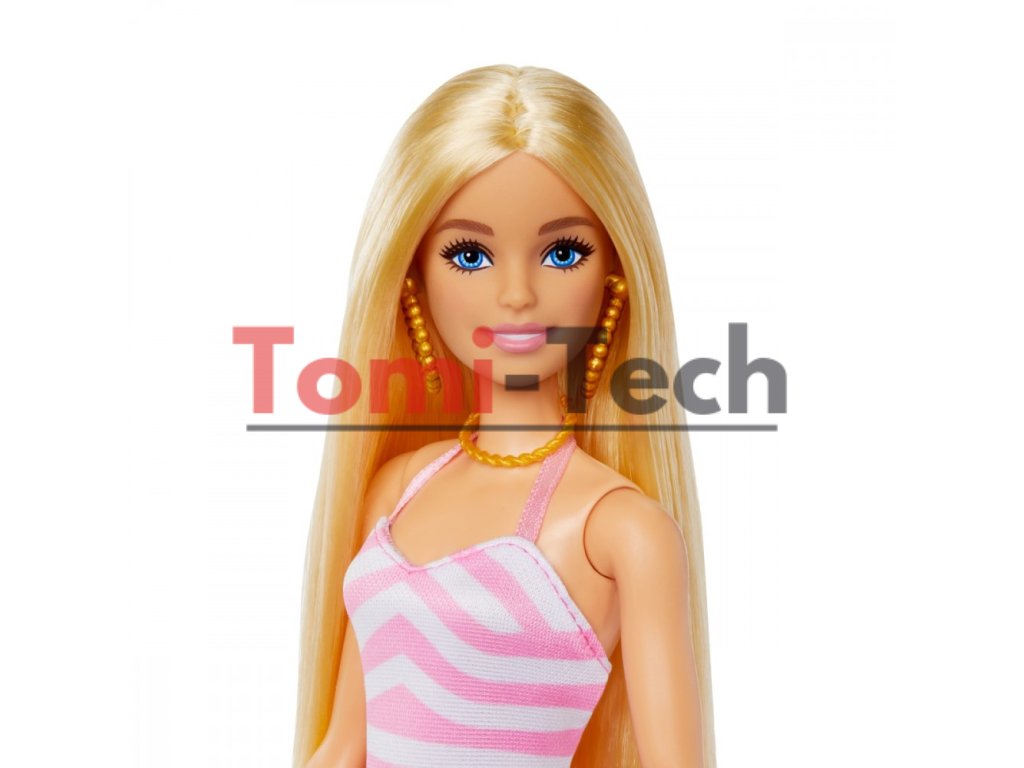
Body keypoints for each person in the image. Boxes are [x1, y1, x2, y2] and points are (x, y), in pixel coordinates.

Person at [294, 64, 715, 767]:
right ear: (413, 281)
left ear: (615, 279)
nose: (517, 294)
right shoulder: (396, 490)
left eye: (562, 253)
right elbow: (342, 747)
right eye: (469, 255)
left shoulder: (620, 530)